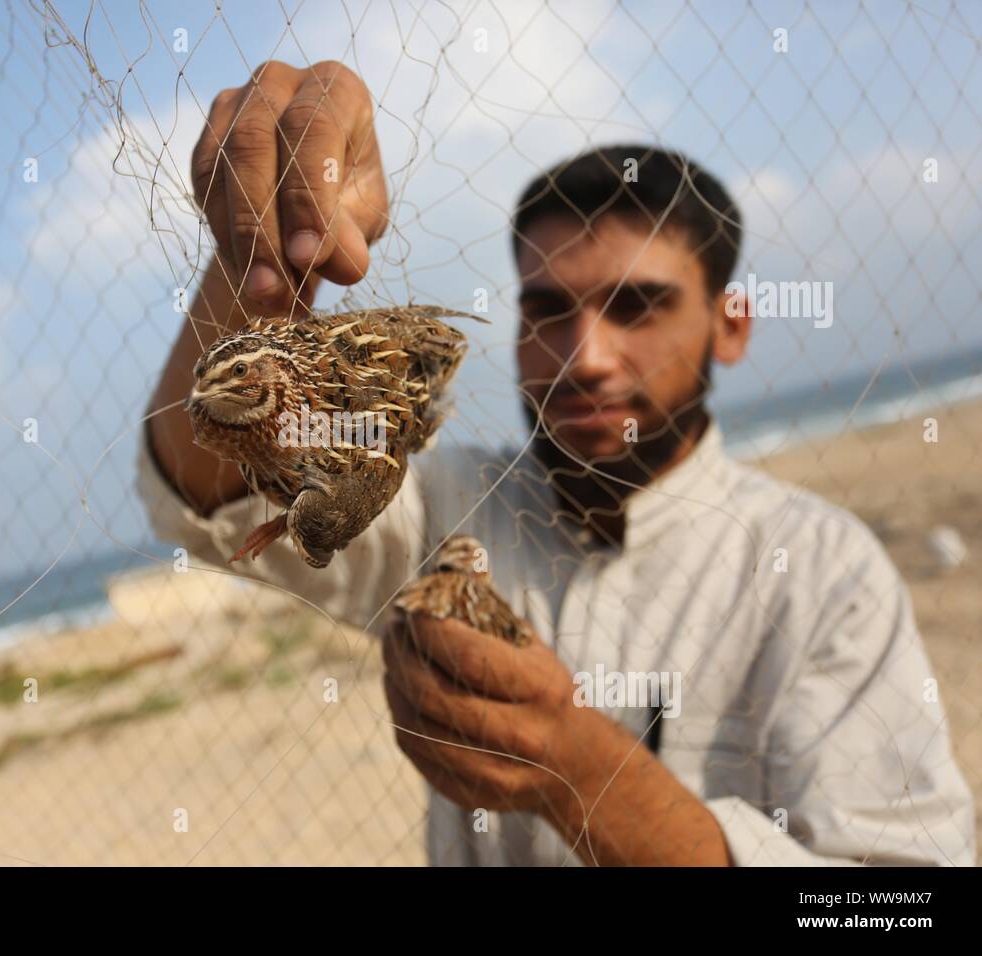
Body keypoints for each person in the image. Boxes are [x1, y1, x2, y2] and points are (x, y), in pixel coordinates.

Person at [137, 60, 975, 865]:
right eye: (547, 310)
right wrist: (271, 247)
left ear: (733, 324)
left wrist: (580, 774)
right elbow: (208, 502)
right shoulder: (442, 505)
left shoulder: (826, 575)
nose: (585, 357)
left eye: (638, 306)